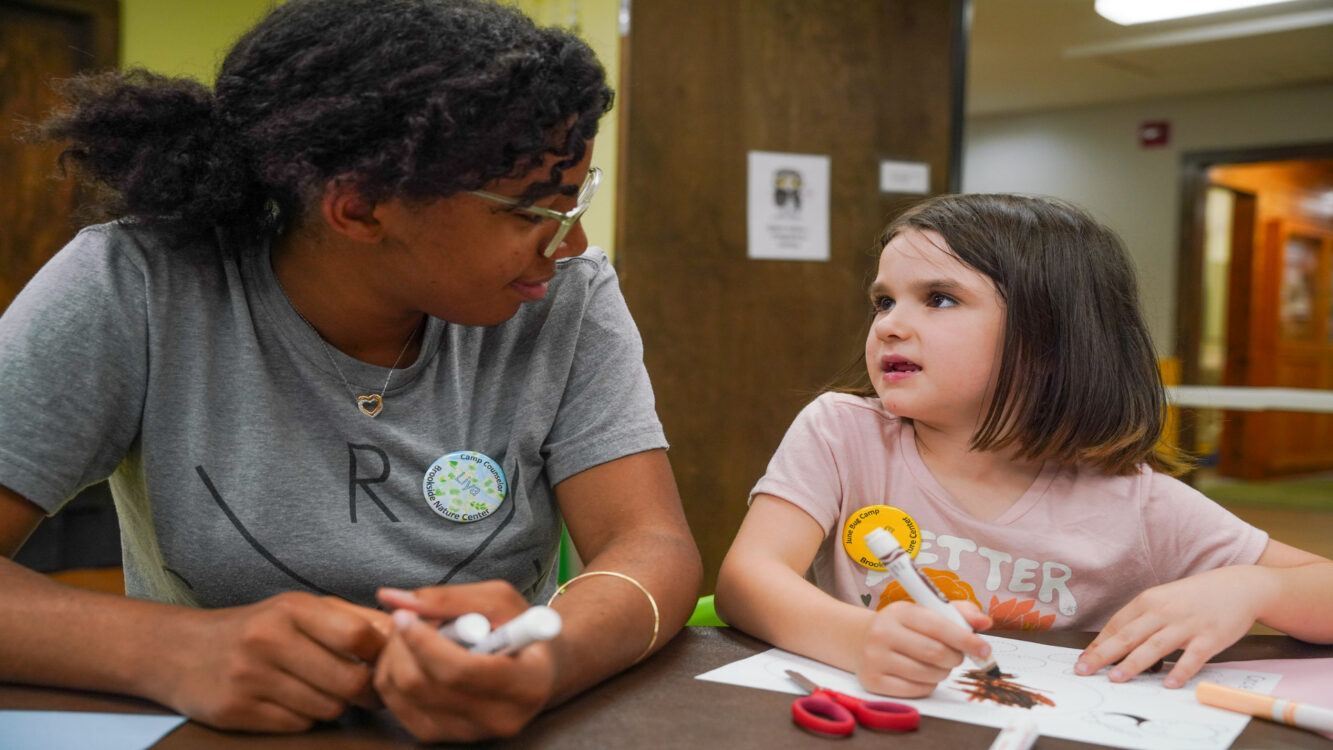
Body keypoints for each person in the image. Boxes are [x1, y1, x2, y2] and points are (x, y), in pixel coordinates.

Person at [0, 0, 701, 742]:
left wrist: (551, 654)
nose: (571, 242)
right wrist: (172, 650)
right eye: (530, 213)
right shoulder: (135, 283)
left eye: (576, 200)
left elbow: (651, 545)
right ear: (360, 210)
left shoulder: (568, 296)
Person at [715, 193, 1333, 699]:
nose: (889, 324)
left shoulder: (1138, 503)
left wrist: (1257, 589)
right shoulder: (841, 432)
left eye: (939, 298)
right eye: (883, 301)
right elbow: (747, 579)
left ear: (1050, 339)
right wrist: (857, 640)